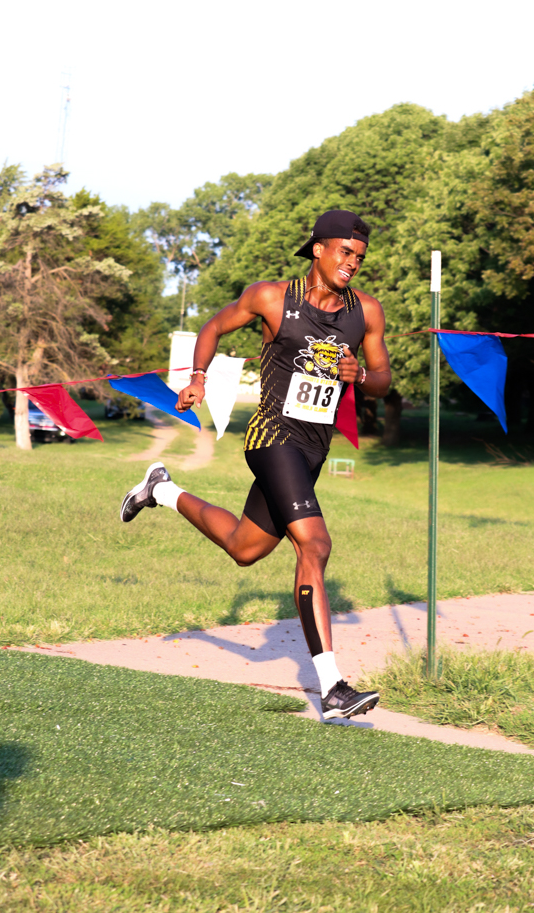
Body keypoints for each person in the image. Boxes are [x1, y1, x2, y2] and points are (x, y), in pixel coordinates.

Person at [120, 210, 392, 720]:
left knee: (245, 549)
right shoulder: (271, 298)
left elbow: (383, 377)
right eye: (343, 252)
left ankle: (159, 489)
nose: (352, 263)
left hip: (313, 448)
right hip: (272, 437)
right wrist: (198, 378)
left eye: (359, 256)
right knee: (315, 543)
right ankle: (333, 689)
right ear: (318, 249)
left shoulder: (366, 313)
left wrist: (361, 375)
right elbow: (214, 326)